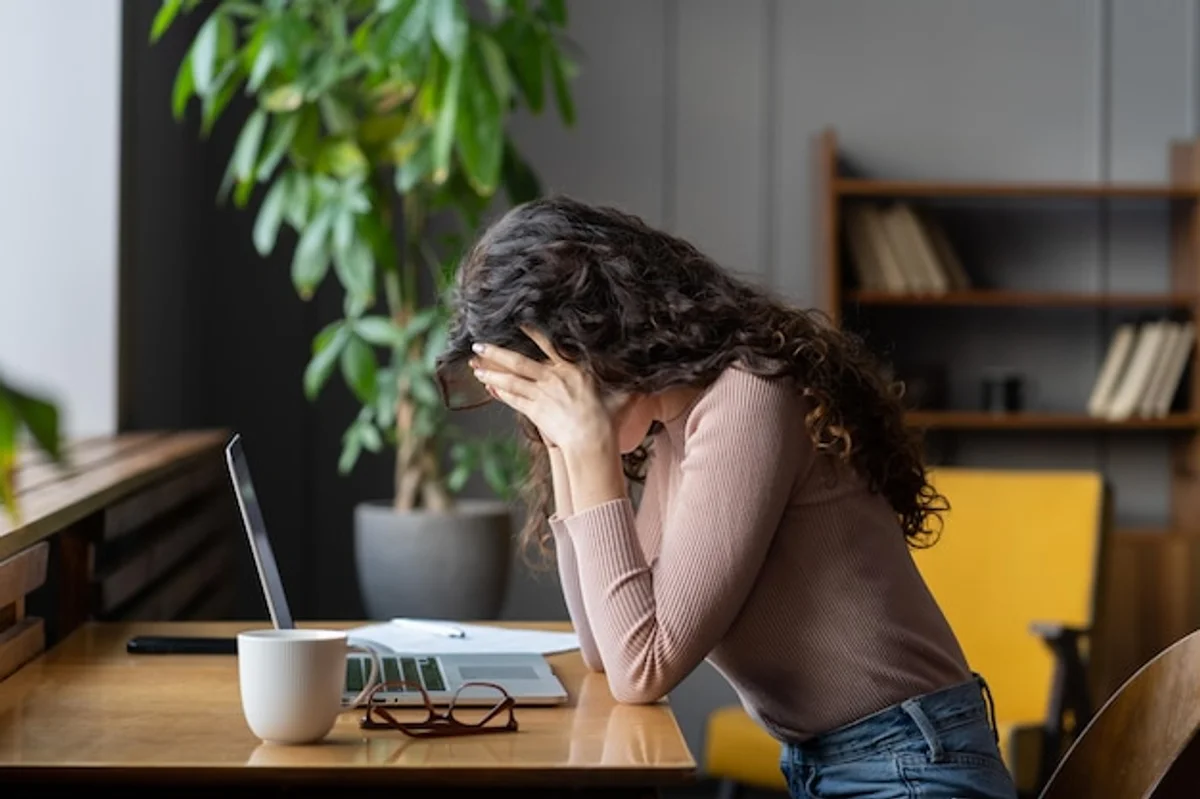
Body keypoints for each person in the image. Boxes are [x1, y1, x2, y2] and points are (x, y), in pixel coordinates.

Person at [434, 195, 1018, 799]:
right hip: (841, 766)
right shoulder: (674, 430)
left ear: (594, 340)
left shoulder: (748, 395)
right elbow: (604, 648)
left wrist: (588, 445)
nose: (542, 408)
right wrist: (563, 444)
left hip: (913, 768)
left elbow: (643, 668)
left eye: (543, 385)